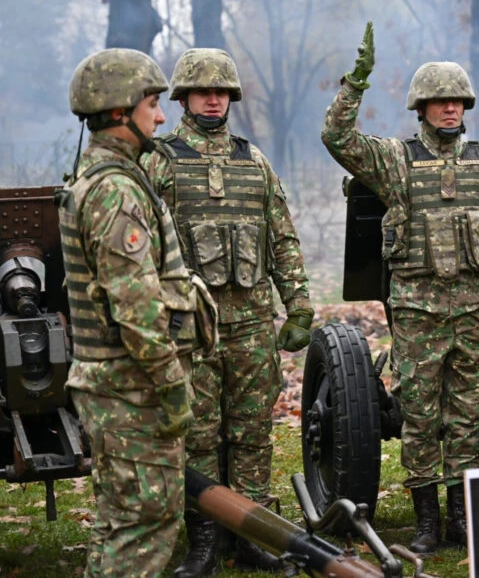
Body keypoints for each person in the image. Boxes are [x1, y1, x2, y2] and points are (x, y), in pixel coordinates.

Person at [321, 22, 479, 553]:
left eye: (457, 102)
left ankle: (460, 518)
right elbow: (337, 138)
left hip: (472, 311)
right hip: (418, 315)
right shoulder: (396, 161)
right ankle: (426, 519)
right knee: (422, 418)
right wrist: (355, 84)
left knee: (466, 417)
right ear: (420, 108)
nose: (450, 110)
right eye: (439, 101)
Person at [139, 48, 314, 575]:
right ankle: (206, 540)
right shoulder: (160, 161)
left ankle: (253, 536)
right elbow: (141, 244)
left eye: (222, 90)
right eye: (202, 90)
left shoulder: (253, 160)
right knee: (197, 433)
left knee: (253, 431)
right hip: (192, 327)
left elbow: (281, 238)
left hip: (253, 325)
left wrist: (299, 303)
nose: (213, 97)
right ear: (185, 97)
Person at [60, 49, 214, 576]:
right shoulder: (116, 192)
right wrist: (172, 387)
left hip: (116, 389)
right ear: (120, 111)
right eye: (153, 103)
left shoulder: (106, 179)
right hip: (131, 391)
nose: (163, 115)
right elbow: (136, 307)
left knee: (120, 525)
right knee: (146, 528)